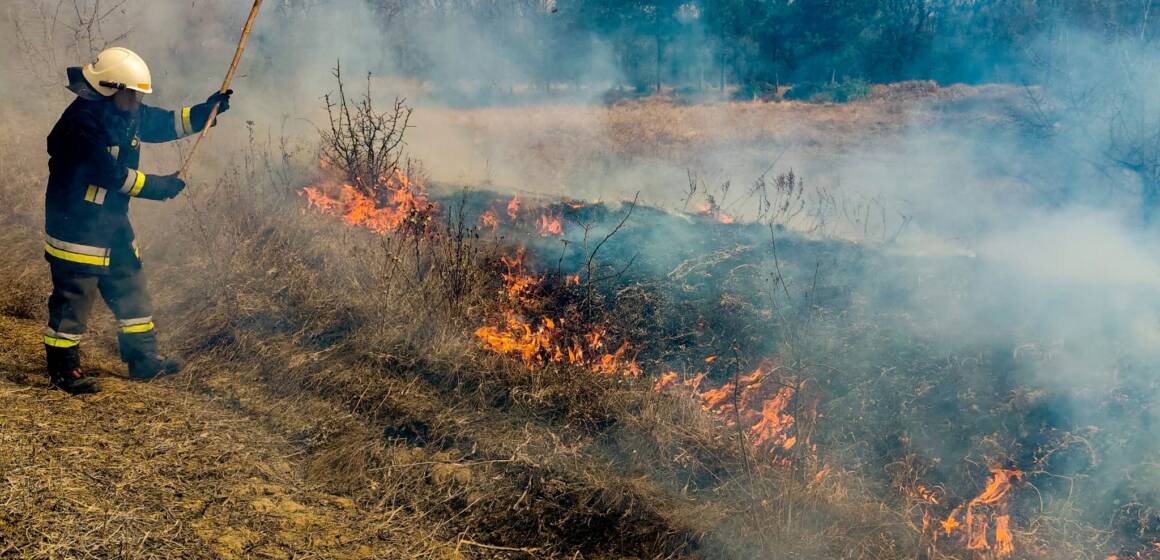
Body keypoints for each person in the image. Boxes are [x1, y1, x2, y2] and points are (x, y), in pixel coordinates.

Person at [43, 46, 233, 394]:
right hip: (77, 227)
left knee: (130, 284)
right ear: (110, 88)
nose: (136, 101)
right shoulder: (79, 124)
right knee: (74, 297)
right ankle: (64, 370)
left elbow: (162, 122)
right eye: (132, 93)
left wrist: (207, 111)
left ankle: (143, 359)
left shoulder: (123, 111)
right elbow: (110, 175)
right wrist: (159, 186)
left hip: (111, 224)